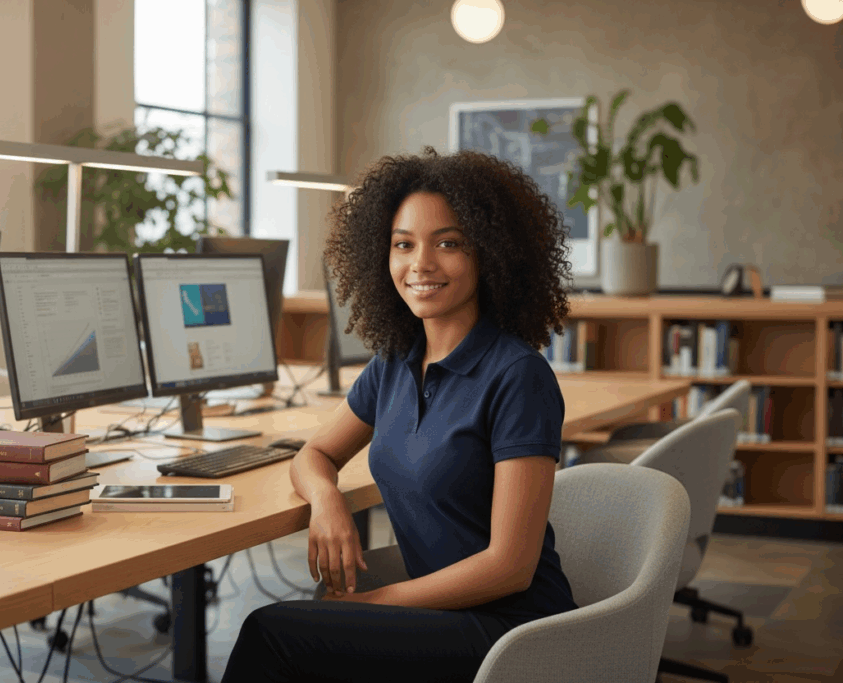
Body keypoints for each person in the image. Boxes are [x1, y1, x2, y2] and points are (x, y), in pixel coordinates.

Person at [220, 147, 576, 683]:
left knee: (273, 632)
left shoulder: (517, 376)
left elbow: (511, 565)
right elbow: (315, 454)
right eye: (403, 245)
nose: (421, 264)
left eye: (448, 244)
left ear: (491, 254)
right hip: (434, 614)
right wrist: (326, 499)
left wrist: (376, 602)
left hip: (510, 632)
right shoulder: (394, 365)